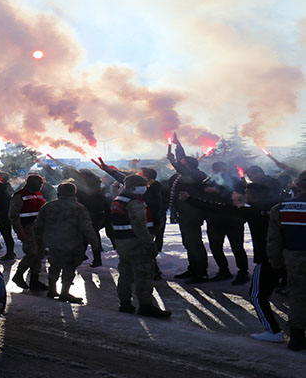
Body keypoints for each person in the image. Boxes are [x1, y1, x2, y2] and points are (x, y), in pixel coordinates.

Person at [181, 183, 283, 342]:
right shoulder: (280, 206)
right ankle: (297, 332)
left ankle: (273, 331)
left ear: (252, 195)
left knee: (257, 295)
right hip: (290, 255)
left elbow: (219, 208)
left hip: (267, 257)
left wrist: (189, 199)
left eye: (247, 192)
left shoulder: (252, 211)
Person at [111, 175, 171, 318]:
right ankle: (146, 306)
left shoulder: (119, 199)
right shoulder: (134, 202)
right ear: (133, 186)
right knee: (143, 274)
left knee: (125, 273)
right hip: (137, 243)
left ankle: (125, 303)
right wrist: (150, 245)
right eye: (141, 185)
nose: (144, 188)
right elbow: (140, 226)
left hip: (122, 242)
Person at [33, 182, 100, 303]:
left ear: (58, 193)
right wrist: (95, 243)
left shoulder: (48, 206)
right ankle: (64, 293)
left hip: (53, 242)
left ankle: (52, 290)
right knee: (69, 268)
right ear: (74, 193)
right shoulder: (78, 208)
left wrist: (39, 241)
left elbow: (38, 225)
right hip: (72, 243)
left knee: (54, 266)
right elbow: (87, 228)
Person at [267, 170, 306, 351]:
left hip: (295, 258)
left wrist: (275, 260)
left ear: (298, 185)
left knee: (297, 296)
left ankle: (297, 337)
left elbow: (274, 238)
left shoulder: (281, 207)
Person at [167, 133, 210, 284]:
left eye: (183, 163)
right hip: (184, 214)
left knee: (194, 243)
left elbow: (183, 168)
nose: (180, 164)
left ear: (189, 166)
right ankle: (193, 268)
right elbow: (182, 162)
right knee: (188, 243)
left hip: (193, 214)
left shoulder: (197, 175)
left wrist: (173, 162)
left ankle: (201, 272)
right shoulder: (186, 173)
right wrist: (178, 145)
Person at [203, 161, 249, 284]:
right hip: (215, 219)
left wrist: (220, 191)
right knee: (215, 247)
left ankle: (243, 272)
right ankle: (223, 270)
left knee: (237, 247)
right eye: (216, 169)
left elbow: (240, 197)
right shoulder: (210, 181)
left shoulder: (236, 181)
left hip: (233, 219)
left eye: (222, 169)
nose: (220, 172)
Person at [8, 174, 48, 291]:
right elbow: (13, 215)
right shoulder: (20, 195)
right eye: (39, 183)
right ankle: (18, 275)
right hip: (28, 230)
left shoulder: (38, 194)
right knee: (32, 253)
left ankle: (34, 281)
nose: (41, 186)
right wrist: (20, 232)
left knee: (39, 255)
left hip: (40, 230)